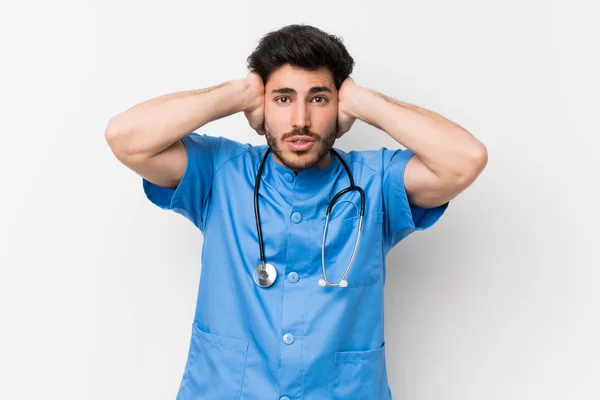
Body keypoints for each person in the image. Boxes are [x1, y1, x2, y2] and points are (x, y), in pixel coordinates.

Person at [105, 23, 487, 400]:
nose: (300, 120)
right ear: (262, 107)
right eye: (283, 99)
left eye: (319, 99)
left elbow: (465, 160)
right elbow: (126, 138)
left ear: (339, 106)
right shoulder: (220, 172)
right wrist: (240, 92)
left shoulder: (376, 182)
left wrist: (364, 101)